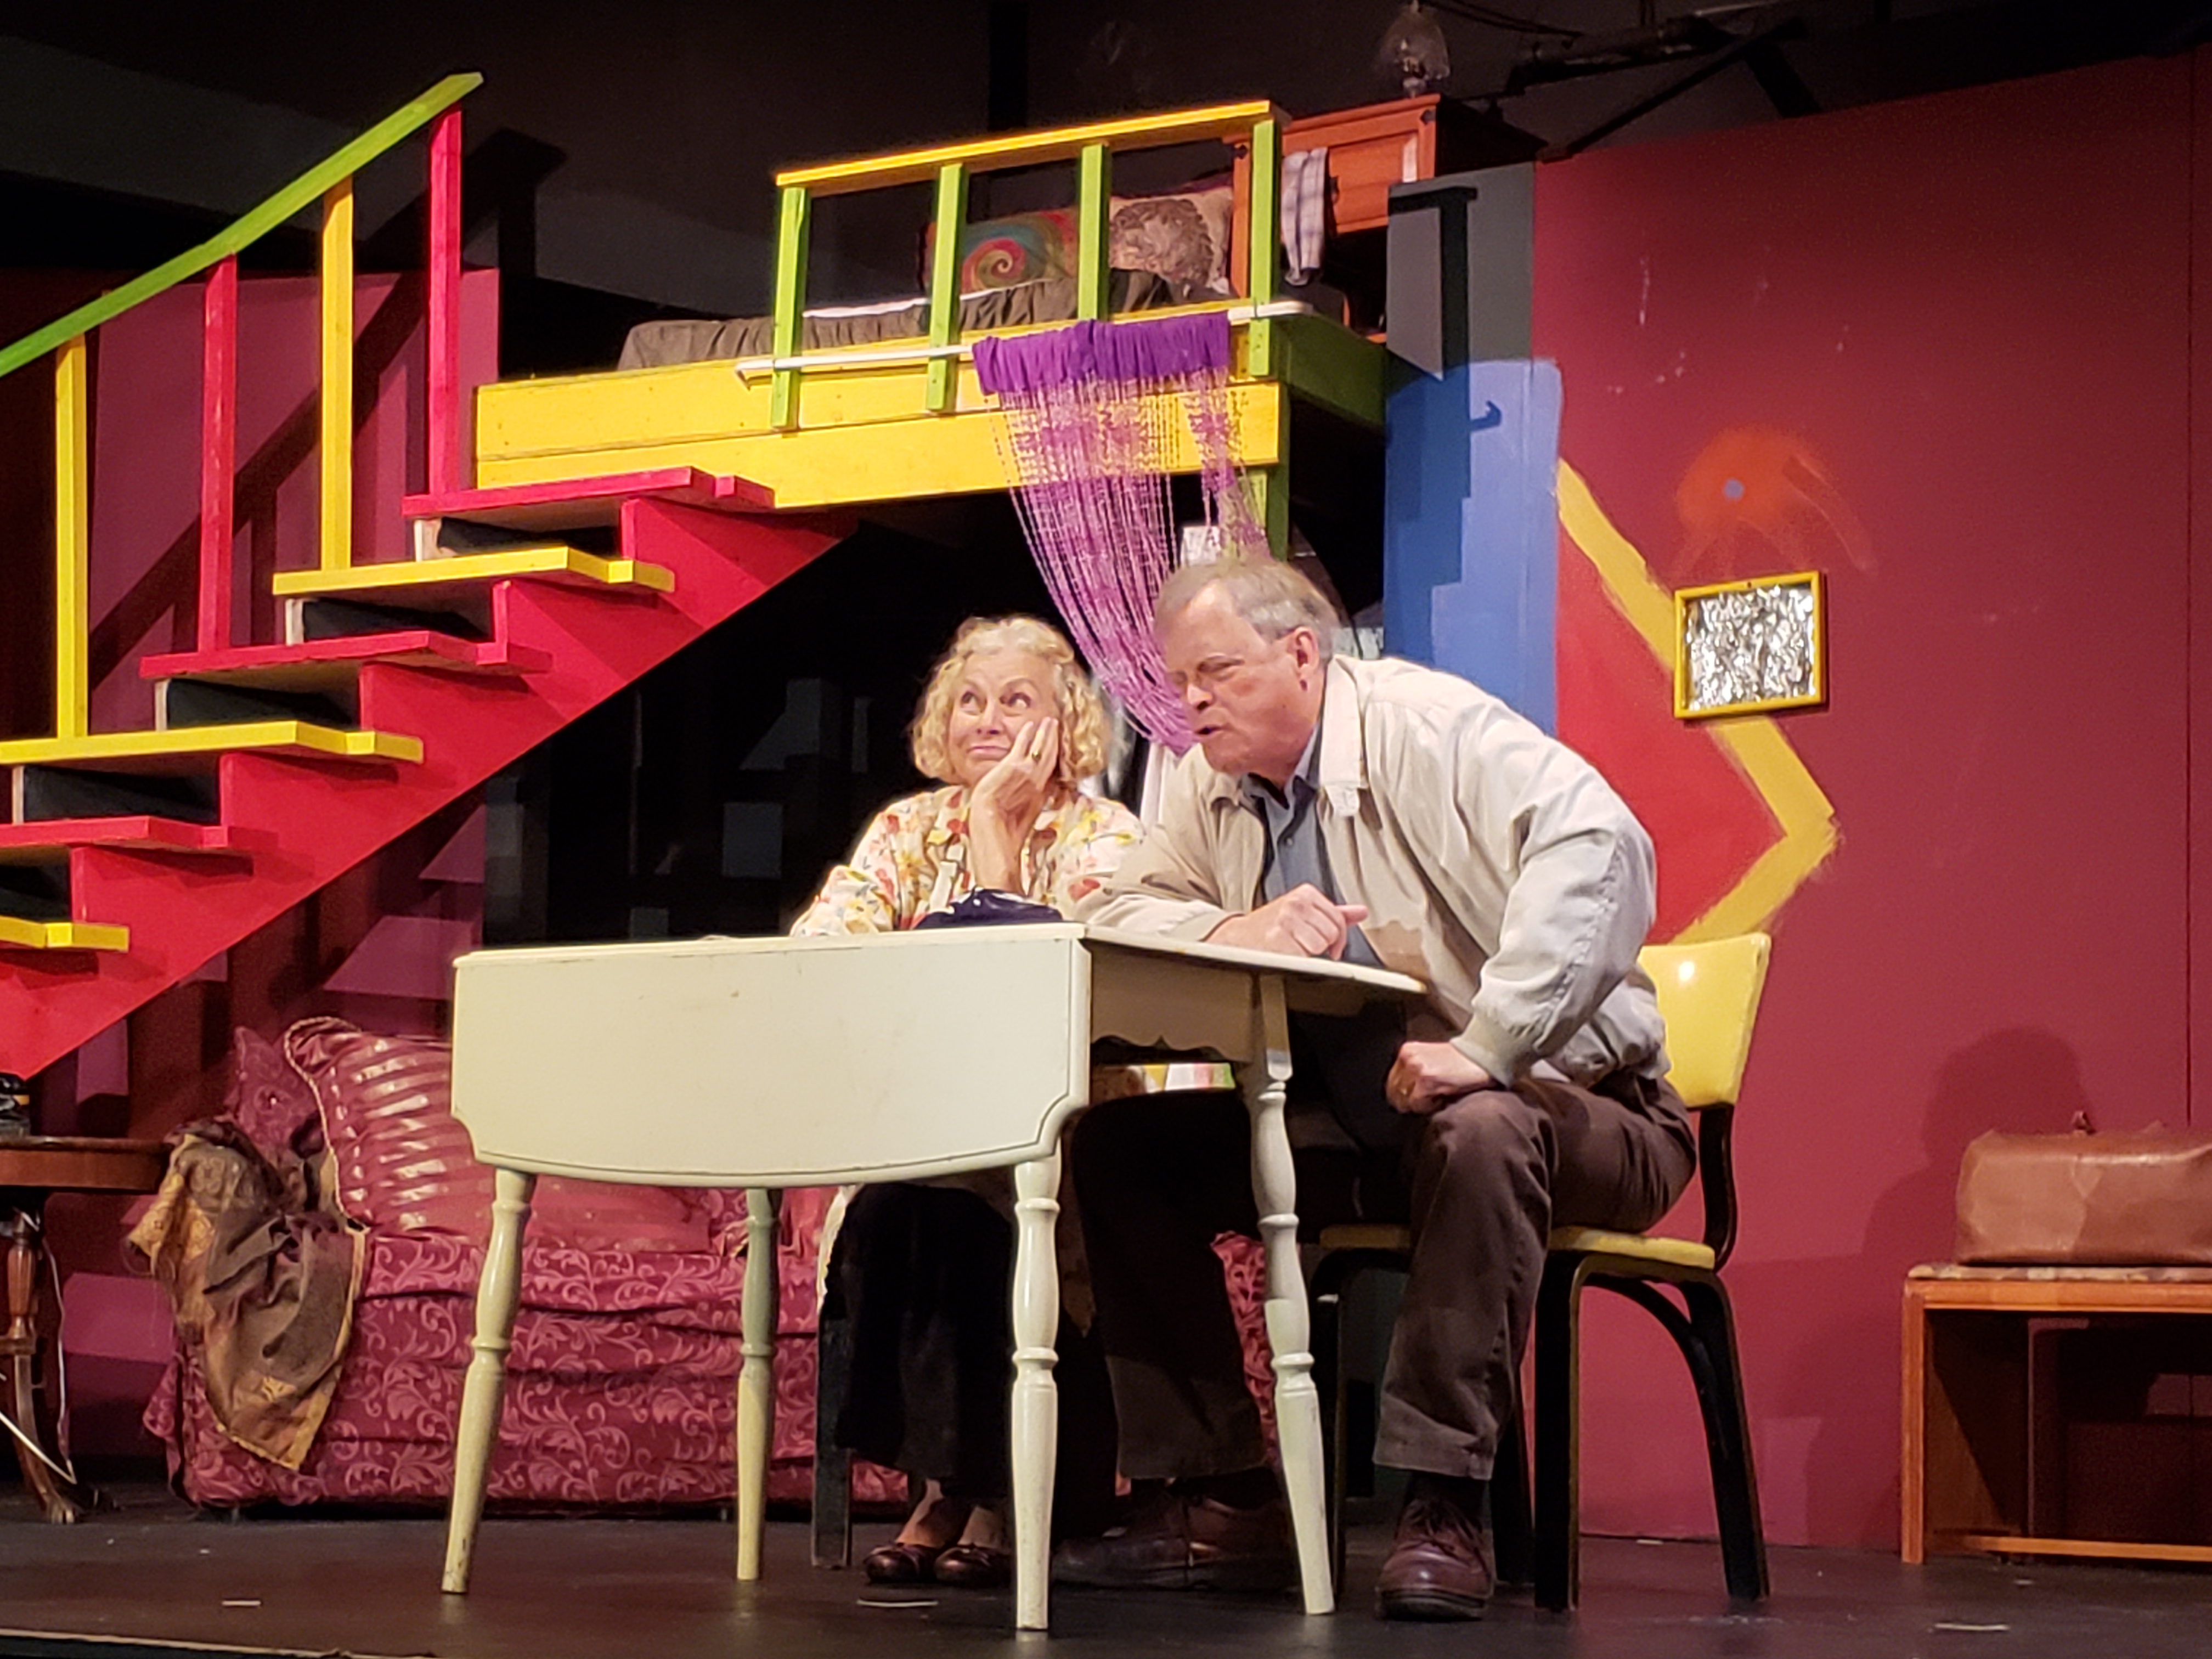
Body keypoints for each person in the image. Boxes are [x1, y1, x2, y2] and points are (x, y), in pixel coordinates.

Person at [1062, 557, 1692, 1621]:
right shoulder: (1210, 785)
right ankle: (1224, 1503)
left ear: (1302, 655)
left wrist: (1492, 1042)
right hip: (1370, 1120)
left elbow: (1601, 844)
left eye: (1218, 671)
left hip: (1591, 1112)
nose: (1194, 701)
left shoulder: (1423, 727)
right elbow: (1117, 909)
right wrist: (1234, 926)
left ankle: (1444, 1504)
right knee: (1124, 1154)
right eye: (1181, 682)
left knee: (1482, 1130)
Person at [793, 614, 1140, 1589]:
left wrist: (996, 842)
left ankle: (992, 1498)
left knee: (987, 1214)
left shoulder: (1106, 837)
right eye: (971, 701)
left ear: (1065, 724)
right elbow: (826, 943)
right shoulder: (905, 830)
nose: (987, 719)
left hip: (1061, 1135)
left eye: (1016, 701)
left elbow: (1036, 990)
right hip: (924, 1124)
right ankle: (947, 1488)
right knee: (897, 1210)